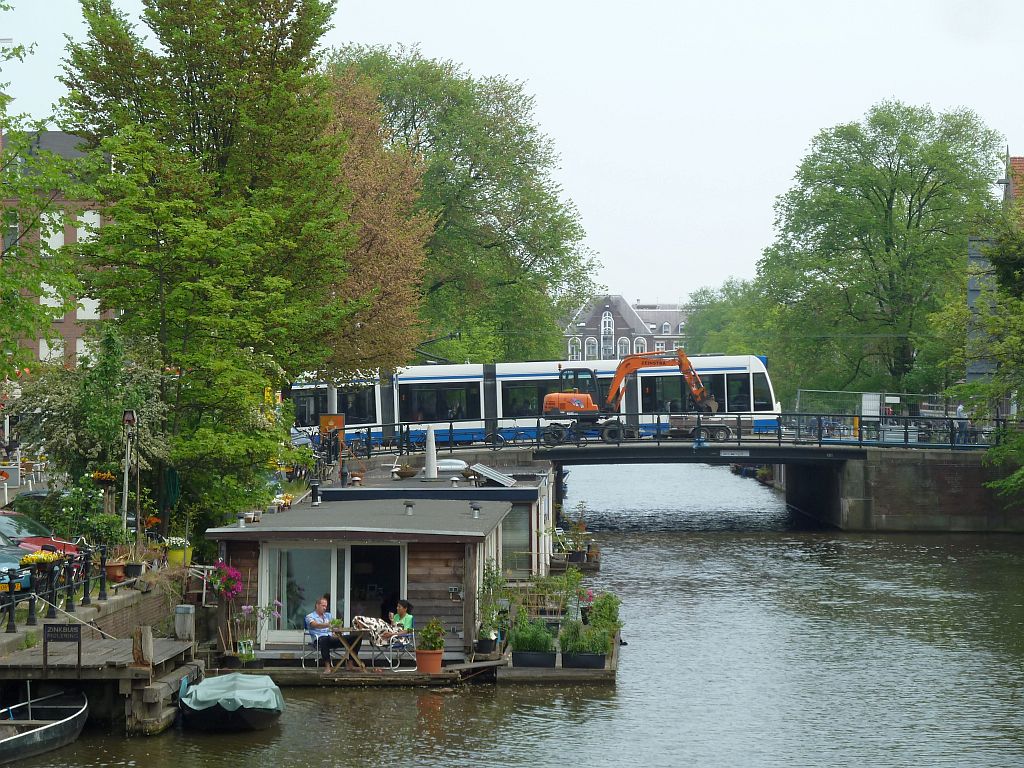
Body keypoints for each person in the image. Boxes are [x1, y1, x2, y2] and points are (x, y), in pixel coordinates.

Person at [305, 596, 358, 673]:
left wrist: (338, 628)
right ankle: (327, 666)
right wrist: (328, 624)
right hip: (319, 640)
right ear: (317, 605)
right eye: (323, 606)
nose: (324, 608)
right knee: (324, 639)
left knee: (356, 638)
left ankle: (350, 664)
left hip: (331, 638)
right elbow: (315, 625)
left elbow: (335, 626)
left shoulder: (328, 615)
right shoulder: (310, 616)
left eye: (326, 606)